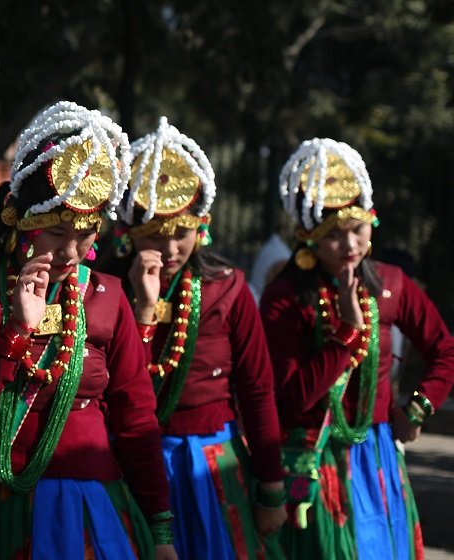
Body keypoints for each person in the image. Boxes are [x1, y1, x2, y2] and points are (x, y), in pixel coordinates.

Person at [0, 101, 178, 559]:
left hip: (88, 508)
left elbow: (135, 418)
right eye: (57, 233)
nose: (72, 251)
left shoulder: (107, 296)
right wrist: (15, 333)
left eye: (86, 234)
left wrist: (160, 529)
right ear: (20, 221)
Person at [260, 137, 454, 559]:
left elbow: (445, 349)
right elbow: (293, 397)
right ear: (307, 237)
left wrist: (417, 409)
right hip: (316, 458)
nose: (349, 245)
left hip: (379, 457)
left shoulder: (392, 284)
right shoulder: (284, 297)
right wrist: (347, 332)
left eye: (357, 229)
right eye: (333, 235)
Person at [112, 117, 286, 559]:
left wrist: (270, 485)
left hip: (212, 467)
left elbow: (257, 388)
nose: (169, 249)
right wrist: (144, 312)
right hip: (126, 464)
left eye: (182, 234)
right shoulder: (105, 290)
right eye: (154, 233)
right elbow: (115, 388)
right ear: (128, 230)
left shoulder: (227, 288)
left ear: (201, 228)